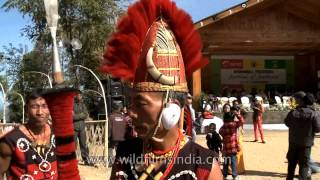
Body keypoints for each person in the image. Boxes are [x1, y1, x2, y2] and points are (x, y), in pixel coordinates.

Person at [102, 0, 223, 179]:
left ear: (171, 110)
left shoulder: (203, 165)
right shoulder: (126, 152)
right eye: (131, 103)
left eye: (140, 103)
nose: (131, 113)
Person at [0, 90, 58, 179]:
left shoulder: (58, 134)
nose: (40, 112)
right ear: (26, 109)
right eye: (34, 107)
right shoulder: (10, 139)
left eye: (44, 106)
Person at [284, 92, 320, 180]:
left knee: (291, 165)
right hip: (306, 144)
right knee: (304, 166)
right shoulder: (313, 114)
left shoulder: (293, 112)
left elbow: (287, 123)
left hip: (293, 142)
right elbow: (318, 129)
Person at [219, 104, 244, 180]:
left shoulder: (224, 126)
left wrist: (225, 136)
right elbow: (242, 121)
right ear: (233, 118)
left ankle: (224, 175)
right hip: (233, 146)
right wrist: (238, 114)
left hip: (226, 147)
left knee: (226, 162)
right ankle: (234, 176)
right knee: (233, 162)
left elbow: (220, 131)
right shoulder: (234, 124)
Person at [73, 93, 92, 166]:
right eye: (78, 95)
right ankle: (73, 160)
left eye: (81, 95)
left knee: (84, 144)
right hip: (74, 128)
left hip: (82, 128)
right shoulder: (72, 104)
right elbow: (71, 116)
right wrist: (81, 115)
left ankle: (86, 159)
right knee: (73, 145)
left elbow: (86, 114)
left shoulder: (83, 105)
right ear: (75, 96)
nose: (80, 97)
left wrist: (76, 116)